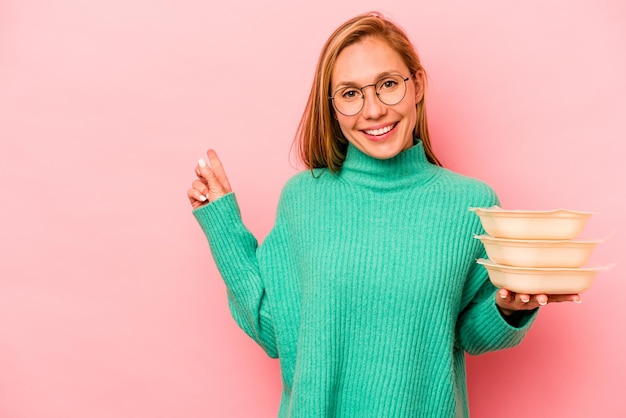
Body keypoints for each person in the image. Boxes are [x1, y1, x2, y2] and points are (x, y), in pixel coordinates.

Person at [186, 12, 581, 417]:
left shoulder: (471, 205)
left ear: (418, 85)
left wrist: (510, 308)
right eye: (350, 93)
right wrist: (223, 228)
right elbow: (277, 333)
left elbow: (466, 334)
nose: (373, 110)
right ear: (333, 108)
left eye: (388, 84)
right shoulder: (304, 199)